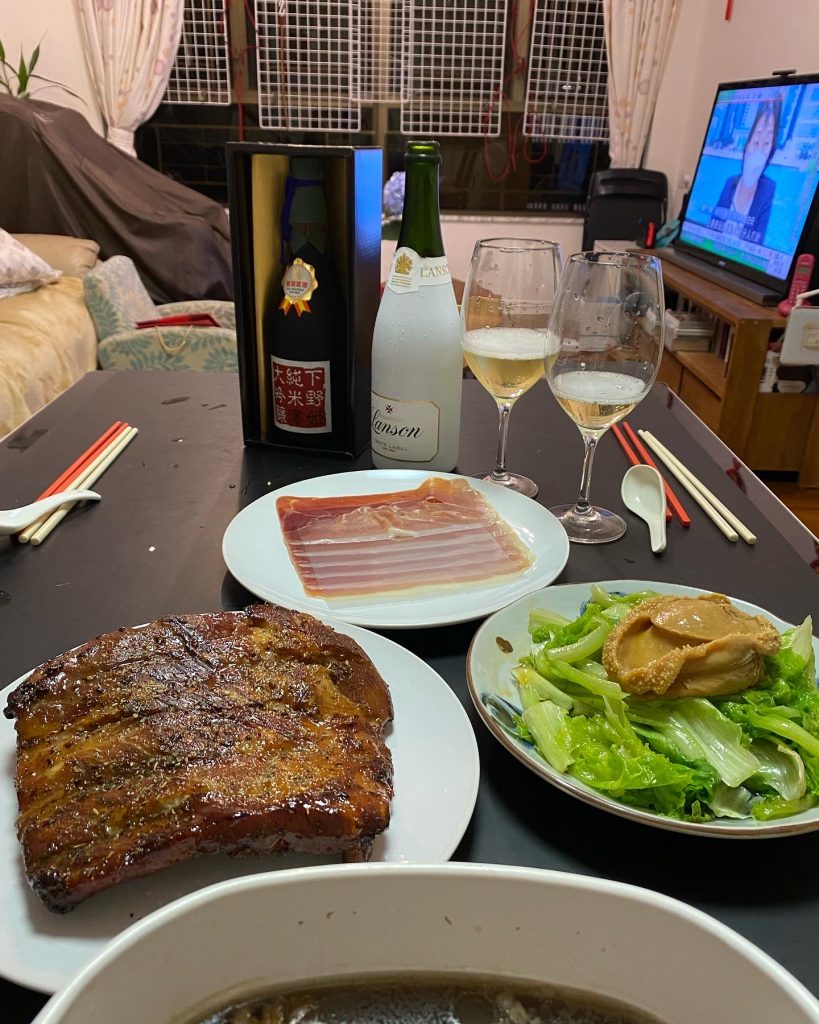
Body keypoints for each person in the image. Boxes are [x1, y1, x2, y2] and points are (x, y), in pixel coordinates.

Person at [710, 99, 781, 246]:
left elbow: (757, 242)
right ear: (747, 144)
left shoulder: (768, 189)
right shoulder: (730, 182)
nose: (758, 151)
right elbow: (711, 228)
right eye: (756, 142)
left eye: (766, 144)